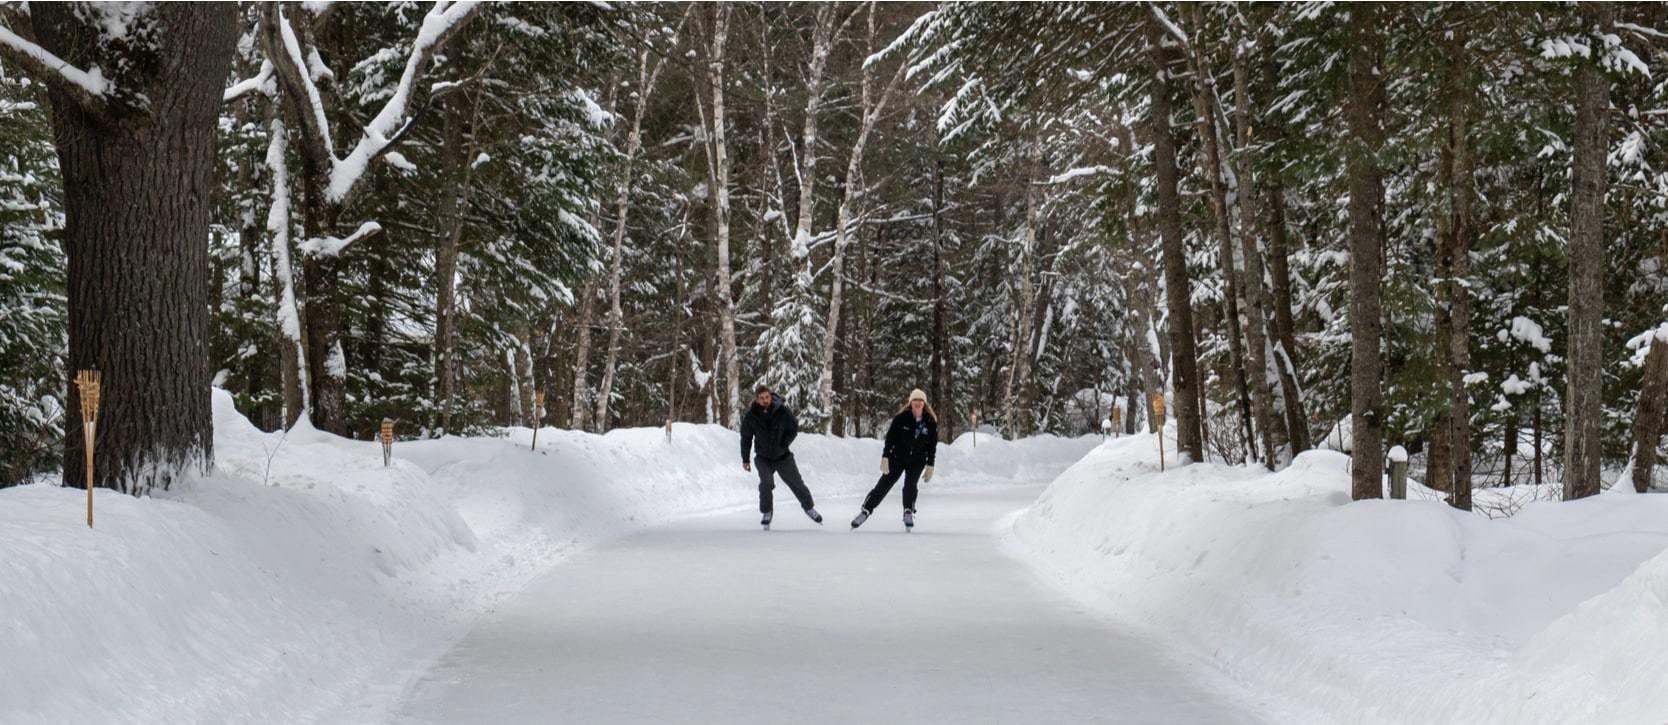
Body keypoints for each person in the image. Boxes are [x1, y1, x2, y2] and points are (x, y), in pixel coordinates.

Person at [851, 389, 938, 531]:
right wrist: (885, 457)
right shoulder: (901, 418)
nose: (918, 403)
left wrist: (930, 465)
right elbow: (890, 438)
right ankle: (865, 510)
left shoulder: (930, 422)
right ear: (911, 403)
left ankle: (908, 511)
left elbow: (932, 446)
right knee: (884, 485)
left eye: (920, 401)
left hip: (917, 460)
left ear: (924, 403)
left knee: (910, 486)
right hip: (898, 458)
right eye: (915, 401)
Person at [740, 384, 822, 529]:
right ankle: (767, 512)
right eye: (761, 398)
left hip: (782, 455)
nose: (765, 400)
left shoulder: (782, 411)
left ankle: (809, 508)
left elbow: (793, 428)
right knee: (766, 483)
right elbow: (746, 437)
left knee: (797, 483)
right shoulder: (751, 416)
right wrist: (745, 459)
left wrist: (784, 443)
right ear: (756, 399)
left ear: (770, 396)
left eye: (767, 397)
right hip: (763, 457)